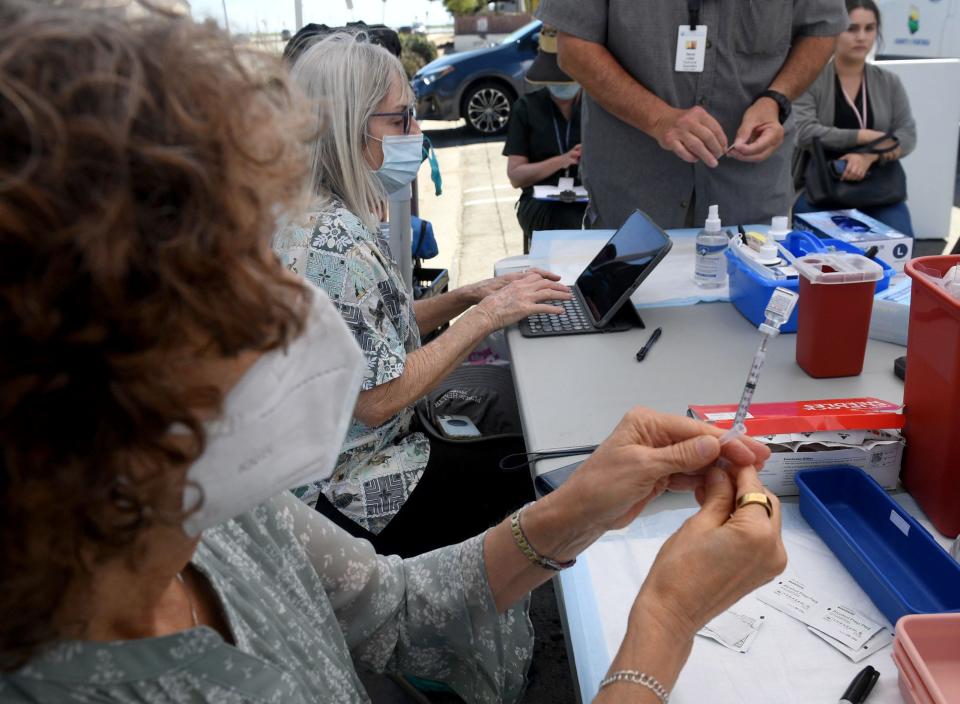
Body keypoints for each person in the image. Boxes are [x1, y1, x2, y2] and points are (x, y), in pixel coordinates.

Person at [0, 7, 789, 703]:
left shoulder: (217, 509)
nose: (290, 317)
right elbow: (374, 393)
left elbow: (399, 608)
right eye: (225, 278)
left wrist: (583, 503)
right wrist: (663, 623)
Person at [273, 33, 572, 557]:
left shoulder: (317, 216)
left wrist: (470, 296)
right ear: (348, 126)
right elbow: (377, 396)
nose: (416, 133)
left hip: (363, 457)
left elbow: (372, 331)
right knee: (539, 467)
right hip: (354, 491)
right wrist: (486, 318)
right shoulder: (332, 244)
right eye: (400, 119)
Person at [535, 0, 848, 230]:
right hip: (633, 194)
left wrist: (775, 99)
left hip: (751, 194)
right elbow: (574, 48)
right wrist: (658, 118)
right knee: (629, 313)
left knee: (753, 315)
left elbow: (821, 31)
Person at [793, 0, 917, 235]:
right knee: (820, 260)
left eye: (869, 28)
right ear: (835, 30)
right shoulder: (812, 78)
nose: (861, 37)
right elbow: (804, 132)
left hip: (878, 188)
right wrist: (865, 136)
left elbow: (907, 136)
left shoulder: (889, 81)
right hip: (820, 188)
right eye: (852, 28)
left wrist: (868, 157)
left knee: (901, 250)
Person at [503, 25, 588, 253]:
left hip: (587, 198)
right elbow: (516, 176)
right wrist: (562, 160)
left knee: (595, 219)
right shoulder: (527, 107)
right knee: (565, 221)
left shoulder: (595, 109)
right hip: (541, 201)